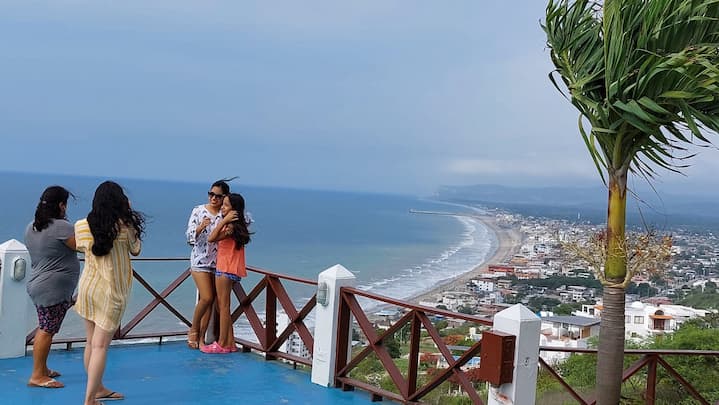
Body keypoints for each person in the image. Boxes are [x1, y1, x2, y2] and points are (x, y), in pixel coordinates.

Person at [74, 181, 145, 405]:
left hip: (88, 288)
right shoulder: (123, 228)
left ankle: (98, 389)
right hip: (112, 292)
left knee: (90, 343)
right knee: (101, 346)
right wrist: (130, 217)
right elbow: (136, 250)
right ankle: (89, 400)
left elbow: (81, 246)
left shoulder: (81, 225)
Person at [24, 186, 80, 389]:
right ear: (61, 205)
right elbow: (81, 245)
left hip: (38, 283)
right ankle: (37, 375)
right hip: (52, 289)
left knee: (45, 327)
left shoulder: (32, 226)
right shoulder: (61, 228)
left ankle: (43, 368)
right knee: (46, 330)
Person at [203, 193, 252, 353]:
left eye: (225, 205)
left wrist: (223, 220)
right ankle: (230, 343)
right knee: (221, 306)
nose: (222, 207)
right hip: (230, 268)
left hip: (226, 268)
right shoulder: (237, 226)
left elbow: (211, 238)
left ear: (234, 210)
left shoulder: (230, 226)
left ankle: (222, 344)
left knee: (223, 307)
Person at [185, 179, 231, 349]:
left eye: (218, 196)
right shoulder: (198, 211)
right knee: (207, 297)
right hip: (199, 261)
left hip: (218, 263)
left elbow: (243, 222)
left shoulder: (224, 214)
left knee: (212, 302)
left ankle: (202, 338)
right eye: (211, 194)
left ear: (224, 198)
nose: (213, 198)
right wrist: (200, 227)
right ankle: (193, 329)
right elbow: (189, 237)